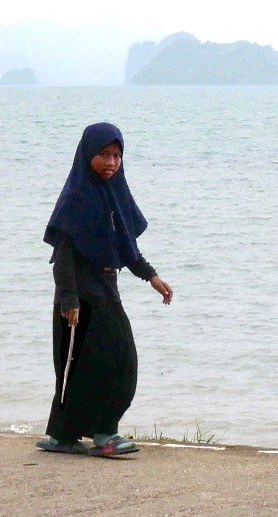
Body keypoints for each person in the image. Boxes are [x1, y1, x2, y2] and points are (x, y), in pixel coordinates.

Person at [36, 122, 174, 457]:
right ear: (87, 155)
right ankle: (98, 434)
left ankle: (69, 434)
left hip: (106, 288)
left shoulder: (116, 193)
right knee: (92, 362)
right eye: (103, 155)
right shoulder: (76, 198)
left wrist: (152, 277)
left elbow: (126, 247)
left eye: (117, 155)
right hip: (79, 294)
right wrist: (69, 299)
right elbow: (64, 255)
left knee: (113, 360)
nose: (111, 162)